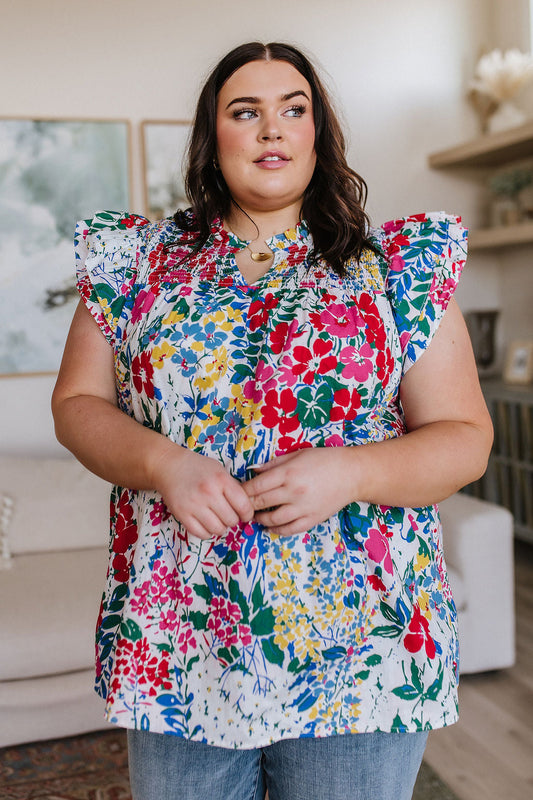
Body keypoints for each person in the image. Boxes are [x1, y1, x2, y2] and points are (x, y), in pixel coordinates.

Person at [52, 41, 493, 800]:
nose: (271, 129)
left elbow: (465, 438)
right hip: (179, 641)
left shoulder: (396, 267)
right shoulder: (136, 263)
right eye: (244, 111)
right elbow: (76, 405)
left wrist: (351, 470)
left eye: (293, 109)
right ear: (212, 135)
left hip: (362, 647)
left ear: (318, 133)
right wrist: (164, 464)